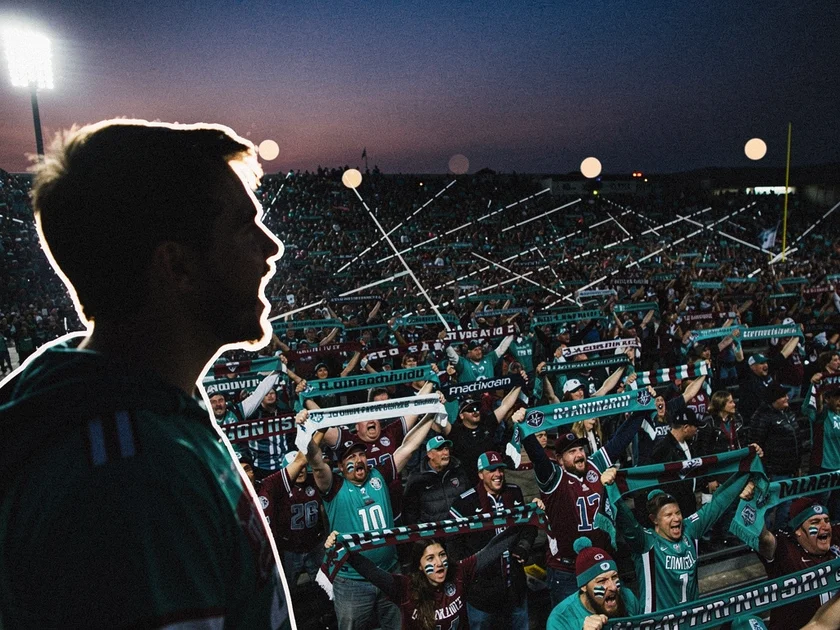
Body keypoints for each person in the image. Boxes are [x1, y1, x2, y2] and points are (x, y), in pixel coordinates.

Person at [0, 120, 291, 628]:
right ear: (176, 266)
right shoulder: (130, 485)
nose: (272, 250)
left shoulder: (127, 405)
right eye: (246, 228)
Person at [302, 405, 439, 630]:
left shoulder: (378, 474)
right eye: (351, 457)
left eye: (361, 455)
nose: (358, 460)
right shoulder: (334, 485)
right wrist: (305, 431)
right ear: (339, 465)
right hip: (352, 582)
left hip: (389, 573)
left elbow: (409, 447)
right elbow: (316, 462)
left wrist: (431, 412)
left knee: (398, 626)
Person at [514, 399, 652, 608]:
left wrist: (642, 407)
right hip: (566, 570)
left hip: (601, 565)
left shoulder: (595, 465)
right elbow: (538, 458)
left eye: (580, 449)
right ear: (559, 459)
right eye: (572, 452)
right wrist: (524, 430)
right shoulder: (554, 477)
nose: (579, 455)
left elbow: (620, 440)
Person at [324, 524, 527, 630]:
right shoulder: (405, 587)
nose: (438, 563)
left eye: (441, 555)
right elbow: (371, 571)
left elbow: (492, 550)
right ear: (419, 566)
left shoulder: (459, 573)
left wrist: (523, 521)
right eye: (430, 558)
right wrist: (343, 549)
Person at [612, 472, 756, 613]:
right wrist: (610, 487)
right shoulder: (646, 542)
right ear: (654, 519)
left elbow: (717, 503)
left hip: (691, 621)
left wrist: (744, 473)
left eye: (678, 512)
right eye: (668, 515)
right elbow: (626, 521)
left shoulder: (690, 529)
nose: (676, 519)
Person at [448, 451, 537, 629]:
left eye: (500, 470)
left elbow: (529, 526)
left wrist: (523, 546)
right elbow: (453, 543)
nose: (498, 475)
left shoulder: (514, 492)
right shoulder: (464, 503)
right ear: (481, 474)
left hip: (515, 587)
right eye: (492, 470)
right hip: (482, 594)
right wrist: (470, 571)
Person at [756, 498, 840, 630]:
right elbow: (763, 538)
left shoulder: (835, 538)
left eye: (827, 520)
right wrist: (754, 504)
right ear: (798, 531)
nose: (825, 526)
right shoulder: (785, 550)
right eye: (815, 522)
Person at [546, 537, 640, 630]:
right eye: (601, 581)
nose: (613, 587)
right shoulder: (561, 619)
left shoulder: (628, 598)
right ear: (583, 586)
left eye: (614, 577)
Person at [749, 382, 799, 528]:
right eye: (782, 396)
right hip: (772, 471)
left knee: (787, 503)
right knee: (767, 506)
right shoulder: (762, 417)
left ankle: (780, 534)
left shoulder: (788, 413)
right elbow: (755, 446)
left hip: (790, 469)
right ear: (773, 399)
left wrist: (797, 465)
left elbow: (796, 440)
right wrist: (764, 471)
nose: (787, 398)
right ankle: (764, 537)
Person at [403, 434, 471, 524]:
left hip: (460, 529)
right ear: (430, 454)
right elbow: (409, 513)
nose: (445, 453)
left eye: (446, 449)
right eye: (440, 449)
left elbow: (470, 499)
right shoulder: (417, 478)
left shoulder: (458, 470)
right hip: (433, 534)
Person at [650, 407, 702, 518]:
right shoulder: (663, 448)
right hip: (674, 507)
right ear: (686, 427)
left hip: (688, 501)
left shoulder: (690, 444)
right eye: (695, 426)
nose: (697, 430)